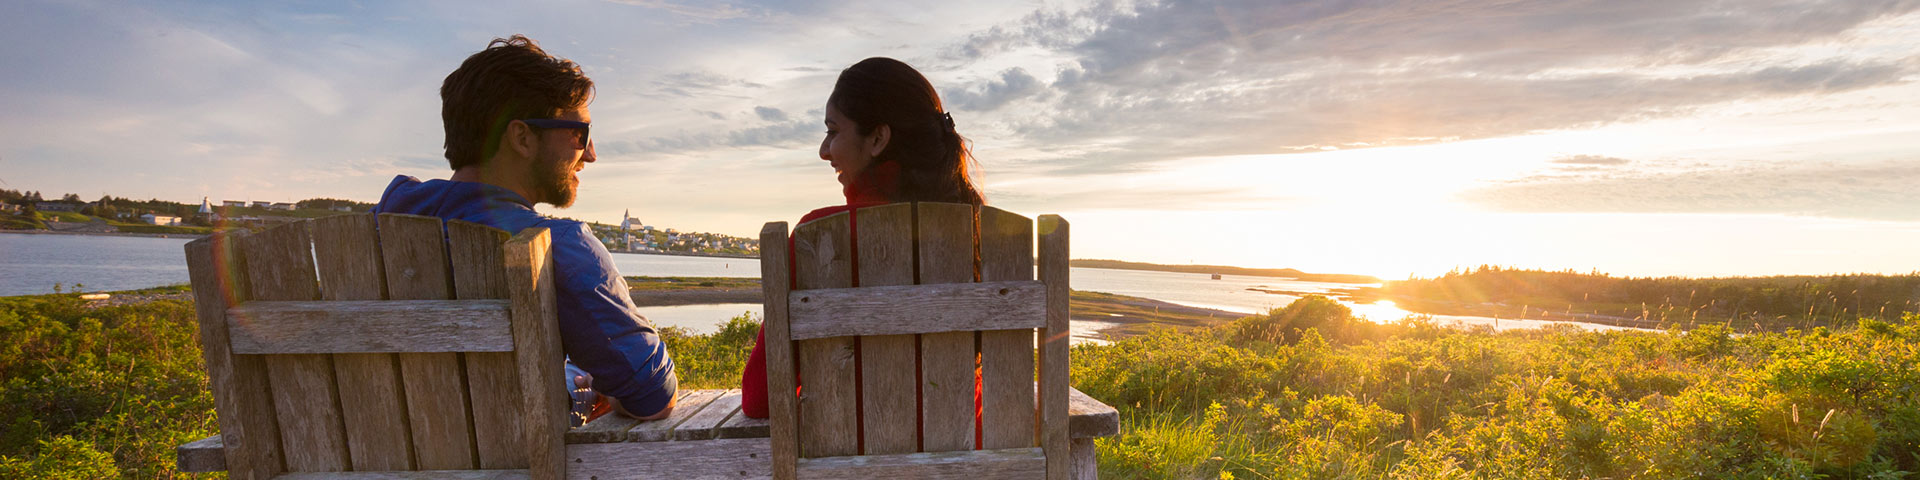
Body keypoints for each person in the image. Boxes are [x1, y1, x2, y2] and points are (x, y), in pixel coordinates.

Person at [372, 35, 677, 425]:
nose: (591, 154)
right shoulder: (558, 248)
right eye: (578, 134)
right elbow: (652, 397)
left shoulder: (384, 220)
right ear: (522, 138)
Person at [741, 57, 986, 419]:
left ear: (877, 138)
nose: (824, 151)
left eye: (833, 131)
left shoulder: (819, 237)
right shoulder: (975, 232)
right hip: (975, 461)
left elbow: (761, 400)